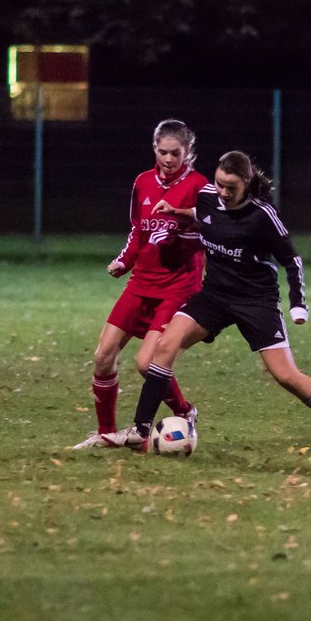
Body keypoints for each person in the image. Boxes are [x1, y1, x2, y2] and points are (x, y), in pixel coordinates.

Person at [102, 150, 311, 458]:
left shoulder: (262, 216)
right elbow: (202, 212)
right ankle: (140, 430)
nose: (222, 192)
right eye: (219, 184)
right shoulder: (208, 197)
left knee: (285, 375)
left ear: (246, 183)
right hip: (215, 296)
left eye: (230, 188)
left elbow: (292, 259)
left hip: (256, 300)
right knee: (165, 347)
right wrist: (178, 210)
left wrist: (298, 303)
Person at [72, 119, 210, 449]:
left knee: (147, 363)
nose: (168, 159)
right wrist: (125, 260)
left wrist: (179, 226)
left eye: (175, 153)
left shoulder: (200, 186)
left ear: (187, 153)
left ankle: (185, 412)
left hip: (178, 286)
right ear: (154, 148)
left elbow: (211, 232)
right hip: (141, 282)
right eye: (162, 152)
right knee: (103, 355)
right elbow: (139, 230)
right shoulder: (143, 182)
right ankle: (106, 433)